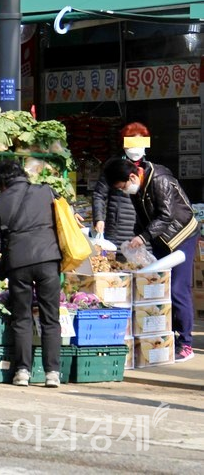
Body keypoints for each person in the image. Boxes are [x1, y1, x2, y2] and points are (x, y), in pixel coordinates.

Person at [103, 158, 197, 363]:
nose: (123, 191)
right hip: (161, 239)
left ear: (132, 176)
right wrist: (137, 237)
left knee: (177, 289)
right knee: (160, 287)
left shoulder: (159, 179)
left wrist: (143, 237)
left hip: (182, 235)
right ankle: (165, 335)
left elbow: (165, 215)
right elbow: (142, 216)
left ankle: (185, 342)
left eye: (122, 187)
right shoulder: (139, 186)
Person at [0, 160, 63, 387]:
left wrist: (12, 245)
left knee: (22, 317)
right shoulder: (46, 191)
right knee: (51, 318)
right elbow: (64, 218)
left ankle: (22, 372)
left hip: (18, 264)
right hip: (48, 259)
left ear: (1, 182)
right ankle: (52, 373)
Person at [93, 122, 152, 250]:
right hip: (117, 228)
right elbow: (99, 194)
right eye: (132, 143)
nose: (135, 148)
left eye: (140, 143)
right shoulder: (113, 166)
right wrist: (99, 218)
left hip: (143, 231)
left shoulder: (150, 168)